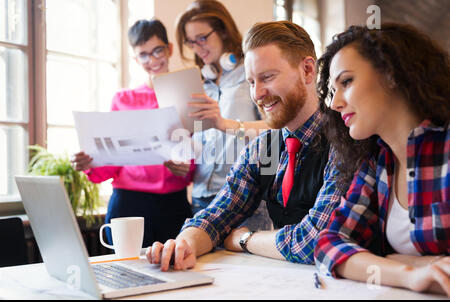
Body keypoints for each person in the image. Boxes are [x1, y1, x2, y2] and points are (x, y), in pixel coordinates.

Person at [145, 21, 348, 271]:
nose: (258, 94)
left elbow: (314, 241)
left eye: (267, 77)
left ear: (307, 70)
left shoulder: (344, 141)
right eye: (251, 82)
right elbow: (218, 215)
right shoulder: (265, 149)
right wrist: (182, 245)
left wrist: (244, 240)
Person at [314, 23, 450, 297]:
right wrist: (408, 272)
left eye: (347, 82)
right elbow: (329, 243)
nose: (334, 103)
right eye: (332, 89)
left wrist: (390, 260)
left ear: (392, 75)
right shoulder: (378, 161)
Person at [71, 19, 195, 247]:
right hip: (128, 202)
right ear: (136, 59)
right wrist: (90, 162)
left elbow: (197, 155)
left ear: (169, 49)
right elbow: (112, 160)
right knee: (126, 273)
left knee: (178, 272)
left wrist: (187, 168)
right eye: (144, 55)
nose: (152, 60)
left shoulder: (186, 94)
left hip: (173, 203)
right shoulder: (123, 100)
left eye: (157, 50)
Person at [167, 0, 272, 231]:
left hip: (244, 197)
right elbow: (199, 138)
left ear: (223, 30)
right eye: (191, 42)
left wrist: (226, 124)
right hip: (201, 197)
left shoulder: (251, 73)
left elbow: (274, 128)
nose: (197, 48)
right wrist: (183, 156)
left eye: (202, 38)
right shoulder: (199, 82)